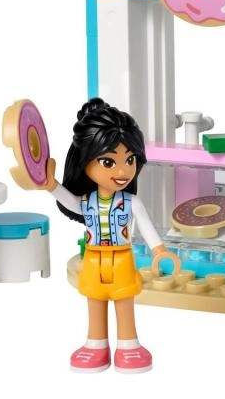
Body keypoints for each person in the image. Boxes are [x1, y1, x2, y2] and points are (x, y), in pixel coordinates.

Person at [45, 98, 179, 373]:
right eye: (108, 162)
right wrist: (51, 185)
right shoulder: (87, 201)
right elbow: (70, 202)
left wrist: (159, 250)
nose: (122, 171)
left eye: (130, 160)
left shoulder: (131, 202)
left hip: (122, 259)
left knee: (124, 299)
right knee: (94, 299)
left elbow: (146, 226)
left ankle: (128, 345)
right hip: (94, 259)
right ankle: (96, 344)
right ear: (85, 162)